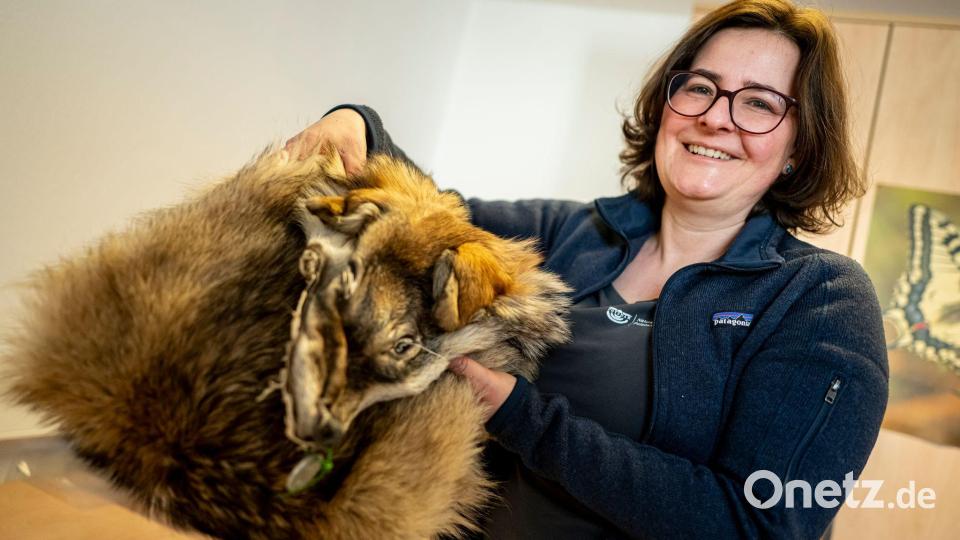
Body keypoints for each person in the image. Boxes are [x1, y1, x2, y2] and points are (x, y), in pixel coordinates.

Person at [285, 0, 888, 537]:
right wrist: (359, 123)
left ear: (799, 149)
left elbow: (760, 522)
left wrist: (520, 416)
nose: (715, 116)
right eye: (700, 87)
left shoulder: (818, 298)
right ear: (666, 106)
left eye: (758, 102)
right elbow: (427, 216)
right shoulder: (570, 232)